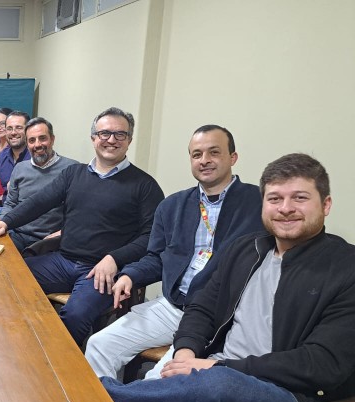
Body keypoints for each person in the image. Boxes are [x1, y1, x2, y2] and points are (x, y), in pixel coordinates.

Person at [103, 153, 355, 402]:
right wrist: (185, 351)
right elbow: (202, 308)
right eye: (274, 199)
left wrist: (217, 368)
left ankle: (100, 394)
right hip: (214, 391)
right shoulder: (245, 250)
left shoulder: (345, 267)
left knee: (215, 384)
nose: (285, 209)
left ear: (325, 204)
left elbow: (322, 364)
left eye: (299, 198)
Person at [85, 125, 263, 380]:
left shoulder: (258, 203)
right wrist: (130, 276)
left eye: (214, 152)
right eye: (197, 154)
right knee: (99, 345)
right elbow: (156, 257)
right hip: (174, 305)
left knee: (159, 378)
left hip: (219, 314)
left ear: (233, 157)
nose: (205, 160)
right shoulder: (172, 205)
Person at [0, 107, 164, 346]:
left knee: (74, 317)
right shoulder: (74, 174)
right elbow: (39, 202)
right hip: (62, 261)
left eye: (120, 134)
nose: (111, 140)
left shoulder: (144, 185)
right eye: (104, 133)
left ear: (129, 140)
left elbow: (151, 236)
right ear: (93, 138)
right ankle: (21, 344)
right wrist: (5, 221)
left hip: (101, 271)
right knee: (7, 279)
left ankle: (59, 372)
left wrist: (115, 259)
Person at [0, 116, 78, 252]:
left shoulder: (72, 169)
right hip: (18, 235)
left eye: (42, 138)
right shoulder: (20, 168)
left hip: (50, 240)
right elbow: (10, 203)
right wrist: (3, 223)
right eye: (31, 140)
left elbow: (77, 213)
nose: (37, 145)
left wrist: (61, 232)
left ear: (52, 139)